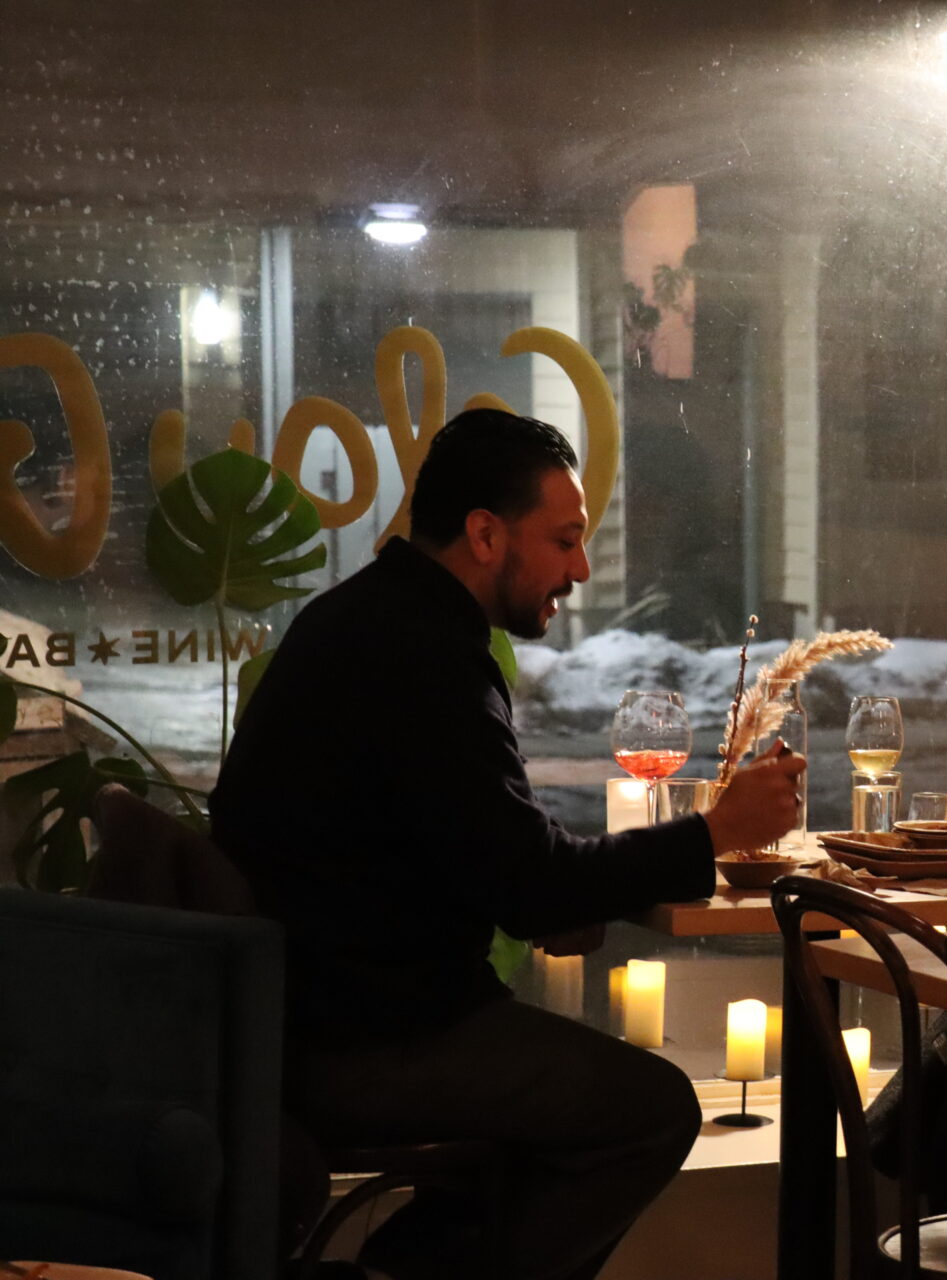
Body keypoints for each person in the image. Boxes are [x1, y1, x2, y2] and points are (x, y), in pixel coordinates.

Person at [212, 408, 805, 1280]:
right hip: (364, 1042)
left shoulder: (368, 619)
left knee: (556, 1122)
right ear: (486, 534)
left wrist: (548, 895)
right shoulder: (422, 656)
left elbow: (472, 853)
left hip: (304, 1015)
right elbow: (528, 880)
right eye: (564, 540)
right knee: (651, 1109)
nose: (582, 567)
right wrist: (718, 833)